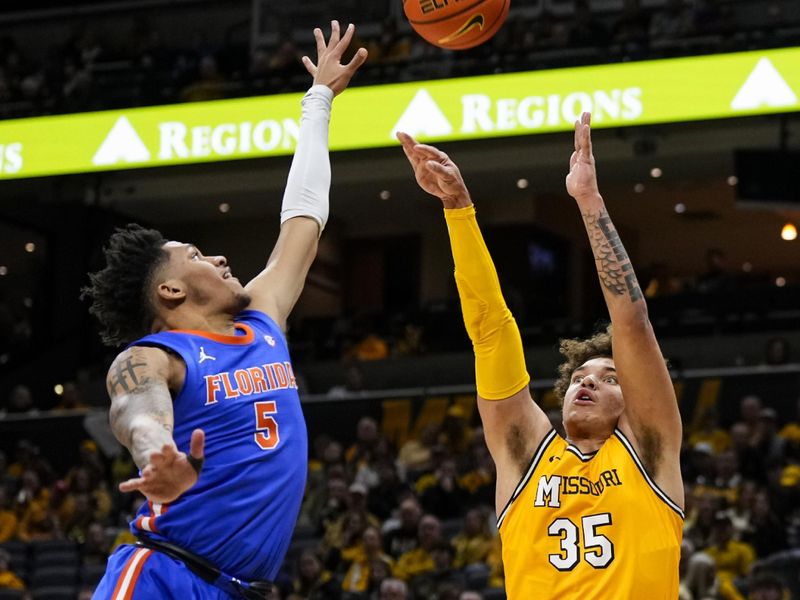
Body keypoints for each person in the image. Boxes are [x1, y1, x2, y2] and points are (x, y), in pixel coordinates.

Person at [83, 22, 367, 599]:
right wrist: (157, 451)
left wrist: (319, 103)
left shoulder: (262, 317)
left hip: (245, 588)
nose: (215, 255)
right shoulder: (154, 357)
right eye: (194, 254)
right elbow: (137, 410)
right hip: (163, 576)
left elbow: (304, 218)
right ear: (169, 293)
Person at [397, 111, 684, 598]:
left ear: (632, 398)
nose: (587, 382)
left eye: (609, 377)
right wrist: (458, 208)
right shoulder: (525, 451)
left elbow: (631, 323)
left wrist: (589, 202)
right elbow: (490, 330)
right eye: (579, 377)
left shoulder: (649, 448)